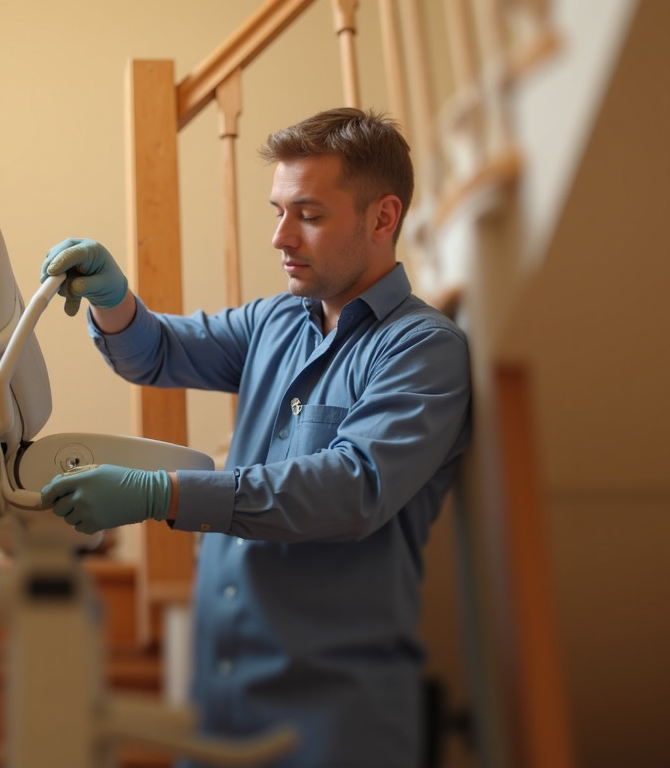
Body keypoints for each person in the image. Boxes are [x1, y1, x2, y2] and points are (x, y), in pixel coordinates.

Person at [39, 107, 472, 767]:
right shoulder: (277, 321)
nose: (280, 238)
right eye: (277, 211)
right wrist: (114, 300)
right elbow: (156, 353)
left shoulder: (423, 350)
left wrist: (164, 495)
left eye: (309, 214)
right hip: (219, 704)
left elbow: (351, 491)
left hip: (334, 724)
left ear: (383, 219)